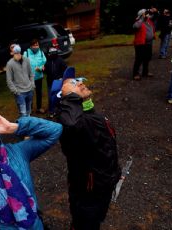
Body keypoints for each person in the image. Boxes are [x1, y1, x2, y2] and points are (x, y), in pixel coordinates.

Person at [56, 76, 121, 230]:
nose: (80, 82)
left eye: (79, 79)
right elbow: (72, 124)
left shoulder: (93, 114)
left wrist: (115, 173)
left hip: (104, 184)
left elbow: (106, 147)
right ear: (65, 96)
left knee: (96, 220)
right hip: (87, 191)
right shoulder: (69, 121)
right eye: (73, 83)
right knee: (85, 224)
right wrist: (70, 97)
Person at [6, 44, 35, 117]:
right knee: (23, 113)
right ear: (12, 53)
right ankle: (24, 127)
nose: (17, 55)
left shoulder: (26, 60)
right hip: (20, 93)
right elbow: (9, 80)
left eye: (18, 53)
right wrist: (15, 91)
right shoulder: (10, 64)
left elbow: (31, 74)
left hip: (29, 90)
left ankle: (28, 125)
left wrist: (32, 85)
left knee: (28, 111)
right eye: (15, 53)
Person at [23, 39, 47, 114]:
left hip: (39, 77)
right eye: (34, 45)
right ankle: (29, 109)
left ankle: (39, 108)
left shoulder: (41, 53)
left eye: (37, 45)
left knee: (39, 93)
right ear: (31, 46)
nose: (36, 46)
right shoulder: (26, 53)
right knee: (30, 93)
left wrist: (41, 67)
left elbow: (44, 62)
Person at [132, 8, 156, 80]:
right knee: (139, 59)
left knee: (147, 58)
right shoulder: (138, 21)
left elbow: (155, 16)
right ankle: (135, 74)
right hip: (140, 43)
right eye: (146, 14)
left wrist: (154, 11)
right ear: (142, 15)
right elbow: (135, 26)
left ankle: (145, 72)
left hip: (148, 43)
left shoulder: (148, 21)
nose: (147, 15)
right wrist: (142, 17)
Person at [44, 47, 67, 117]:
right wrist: (43, 69)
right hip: (50, 82)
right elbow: (46, 71)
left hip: (58, 82)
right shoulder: (47, 62)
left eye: (53, 53)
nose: (52, 55)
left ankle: (60, 110)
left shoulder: (60, 60)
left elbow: (65, 69)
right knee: (51, 97)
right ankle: (51, 111)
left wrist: (62, 78)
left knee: (59, 96)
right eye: (50, 54)